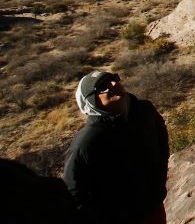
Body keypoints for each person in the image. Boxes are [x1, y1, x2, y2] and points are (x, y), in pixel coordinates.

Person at [63, 71, 169, 224]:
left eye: (114, 79)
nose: (114, 84)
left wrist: (159, 182)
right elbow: (74, 191)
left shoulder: (144, 111)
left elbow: (161, 143)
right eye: (103, 86)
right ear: (91, 101)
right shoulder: (87, 142)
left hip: (153, 206)